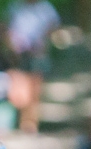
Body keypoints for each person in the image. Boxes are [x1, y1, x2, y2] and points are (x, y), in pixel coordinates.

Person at [5, 0, 60, 133]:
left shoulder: (45, 7)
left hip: (37, 53)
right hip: (19, 53)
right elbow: (8, 27)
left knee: (35, 88)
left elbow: (54, 25)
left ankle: (30, 122)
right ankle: (20, 118)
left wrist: (43, 40)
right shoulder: (15, 6)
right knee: (19, 88)